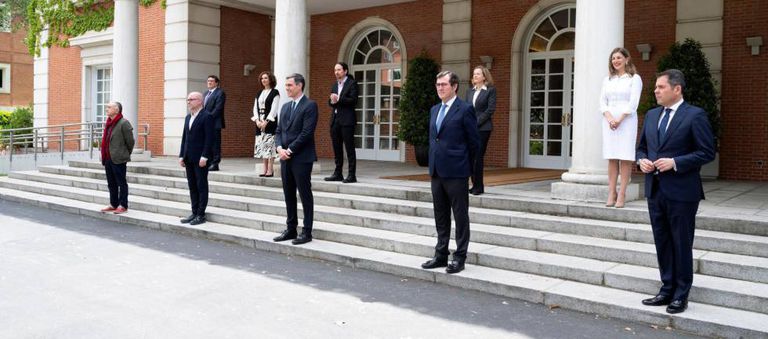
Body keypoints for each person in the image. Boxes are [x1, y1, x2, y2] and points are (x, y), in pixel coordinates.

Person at [636, 69, 715, 314]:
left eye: (661, 87)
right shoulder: (652, 115)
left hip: (682, 192)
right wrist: (641, 161)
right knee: (662, 241)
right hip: (655, 189)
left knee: (681, 242)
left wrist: (675, 162)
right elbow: (641, 148)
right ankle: (666, 289)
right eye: (655, 87)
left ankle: (681, 294)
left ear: (677, 89)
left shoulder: (695, 115)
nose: (656, 91)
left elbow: (707, 152)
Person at [421, 71, 480, 274]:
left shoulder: (465, 109)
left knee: (460, 216)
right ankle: (441, 255)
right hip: (437, 171)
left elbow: (474, 143)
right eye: (438, 84)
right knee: (441, 215)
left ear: (454, 86)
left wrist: (467, 169)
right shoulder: (434, 109)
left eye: (444, 84)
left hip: (457, 171)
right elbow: (434, 139)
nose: (440, 88)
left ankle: (460, 257)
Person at [272, 73, 318, 245]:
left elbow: (306, 133)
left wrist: (289, 150)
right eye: (286, 85)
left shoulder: (310, 105)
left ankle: (307, 232)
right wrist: (279, 149)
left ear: (299, 85)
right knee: (288, 193)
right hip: (285, 157)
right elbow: (278, 131)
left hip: (301, 158)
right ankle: (291, 229)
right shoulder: (285, 107)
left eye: (290, 85)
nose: (287, 88)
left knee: (304, 194)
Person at [600, 47, 643, 208]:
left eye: (618, 57)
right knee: (612, 157)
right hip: (609, 122)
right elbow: (602, 102)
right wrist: (610, 118)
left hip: (627, 121)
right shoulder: (607, 80)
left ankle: (622, 193)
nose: (615, 61)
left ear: (626, 59)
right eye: (613, 58)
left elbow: (633, 102)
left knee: (625, 157)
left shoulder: (634, 78)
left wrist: (620, 119)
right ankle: (611, 192)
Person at [179, 92, 215, 226]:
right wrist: (181, 155)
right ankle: (194, 212)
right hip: (189, 157)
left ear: (200, 101)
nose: (188, 102)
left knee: (201, 185)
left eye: (191, 99)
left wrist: (205, 156)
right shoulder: (188, 117)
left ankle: (201, 214)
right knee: (192, 186)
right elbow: (185, 138)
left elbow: (209, 138)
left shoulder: (207, 116)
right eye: (187, 99)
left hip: (201, 158)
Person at [324, 62, 359, 183]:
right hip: (335, 120)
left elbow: (353, 100)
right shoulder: (335, 85)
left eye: (339, 70)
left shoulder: (352, 83)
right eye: (335, 70)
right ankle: (338, 173)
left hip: (347, 120)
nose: (336, 72)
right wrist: (332, 101)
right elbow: (331, 102)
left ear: (345, 71)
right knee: (337, 148)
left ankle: (351, 175)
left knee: (349, 148)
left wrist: (339, 99)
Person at [466, 65, 496, 196]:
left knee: (478, 157)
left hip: (483, 128)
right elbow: (467, 109)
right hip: (470, 128)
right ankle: (475, 185)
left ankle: (478, 187)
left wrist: (476, 123)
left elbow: (490, 110)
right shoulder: (470, 91)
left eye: (478, 74)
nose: (475, 76)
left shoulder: (490, 90)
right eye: (474, 73)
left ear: (484, 76)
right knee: (471, 157)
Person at [100, 101, 135, 214]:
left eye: (109, 107)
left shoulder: (124, 123)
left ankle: (123, 205)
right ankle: (113, 204)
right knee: (111, 183)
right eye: (107, 107)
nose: (106, 109)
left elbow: (130, 142)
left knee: (121, 183)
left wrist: (124, 153)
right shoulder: (109, 123)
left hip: (119, 158)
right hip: (108, 158)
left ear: (116, 110)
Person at [252, 71, 280, 177]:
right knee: (262, 145)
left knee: (270, 145)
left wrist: (266, 122)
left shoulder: (275, 92)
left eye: (266, 78)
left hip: (270, 121)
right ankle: (264, 168)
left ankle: (270, 169)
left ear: (270, 80)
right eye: (262, 78)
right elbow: (255, 108)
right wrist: (257, 120)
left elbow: (274, 109)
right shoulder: (259, 93)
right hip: (259, 121)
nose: (263, 80)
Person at [203, 75, 226, 171]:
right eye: (208, 81)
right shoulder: (205, 93)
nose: (209, 82)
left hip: (215, 123)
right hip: (206, 123)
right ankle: (209, 162)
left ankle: (215, 164)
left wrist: (208, 118)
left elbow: (218, 108)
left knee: (215, 144)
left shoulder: (220, 93)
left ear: (216, 83)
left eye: (211, 81)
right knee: (207, 142)